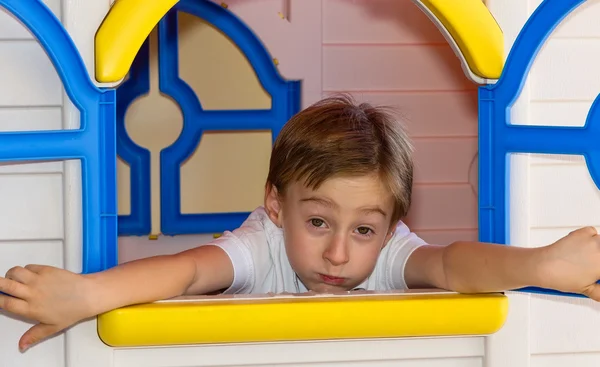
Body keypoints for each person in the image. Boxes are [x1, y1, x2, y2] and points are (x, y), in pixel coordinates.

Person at [1, 95, 600, 352]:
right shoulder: (259, 246)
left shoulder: (389, 250)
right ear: (276, 207)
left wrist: (538, 265)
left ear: (391, 227)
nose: (339, 254)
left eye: (364, 229)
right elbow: (184, 273)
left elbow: (449, 264)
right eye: (317, 222)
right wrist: (88, 294)